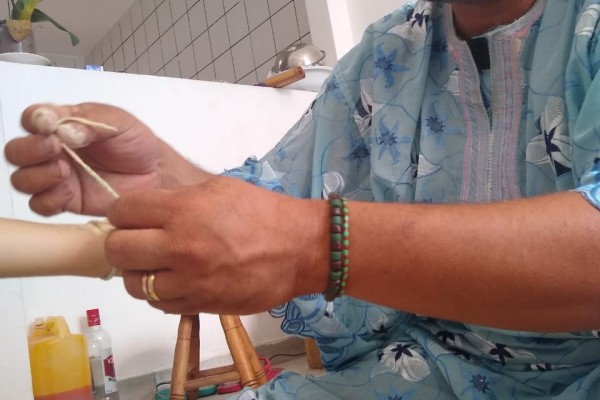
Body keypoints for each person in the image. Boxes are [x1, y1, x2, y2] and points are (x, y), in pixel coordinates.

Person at [5, 0, 600, 398]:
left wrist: (314, 246)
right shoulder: (391, 52)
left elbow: (291, 231)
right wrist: (164, 178)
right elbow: (280, 198)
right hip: (431, 371)